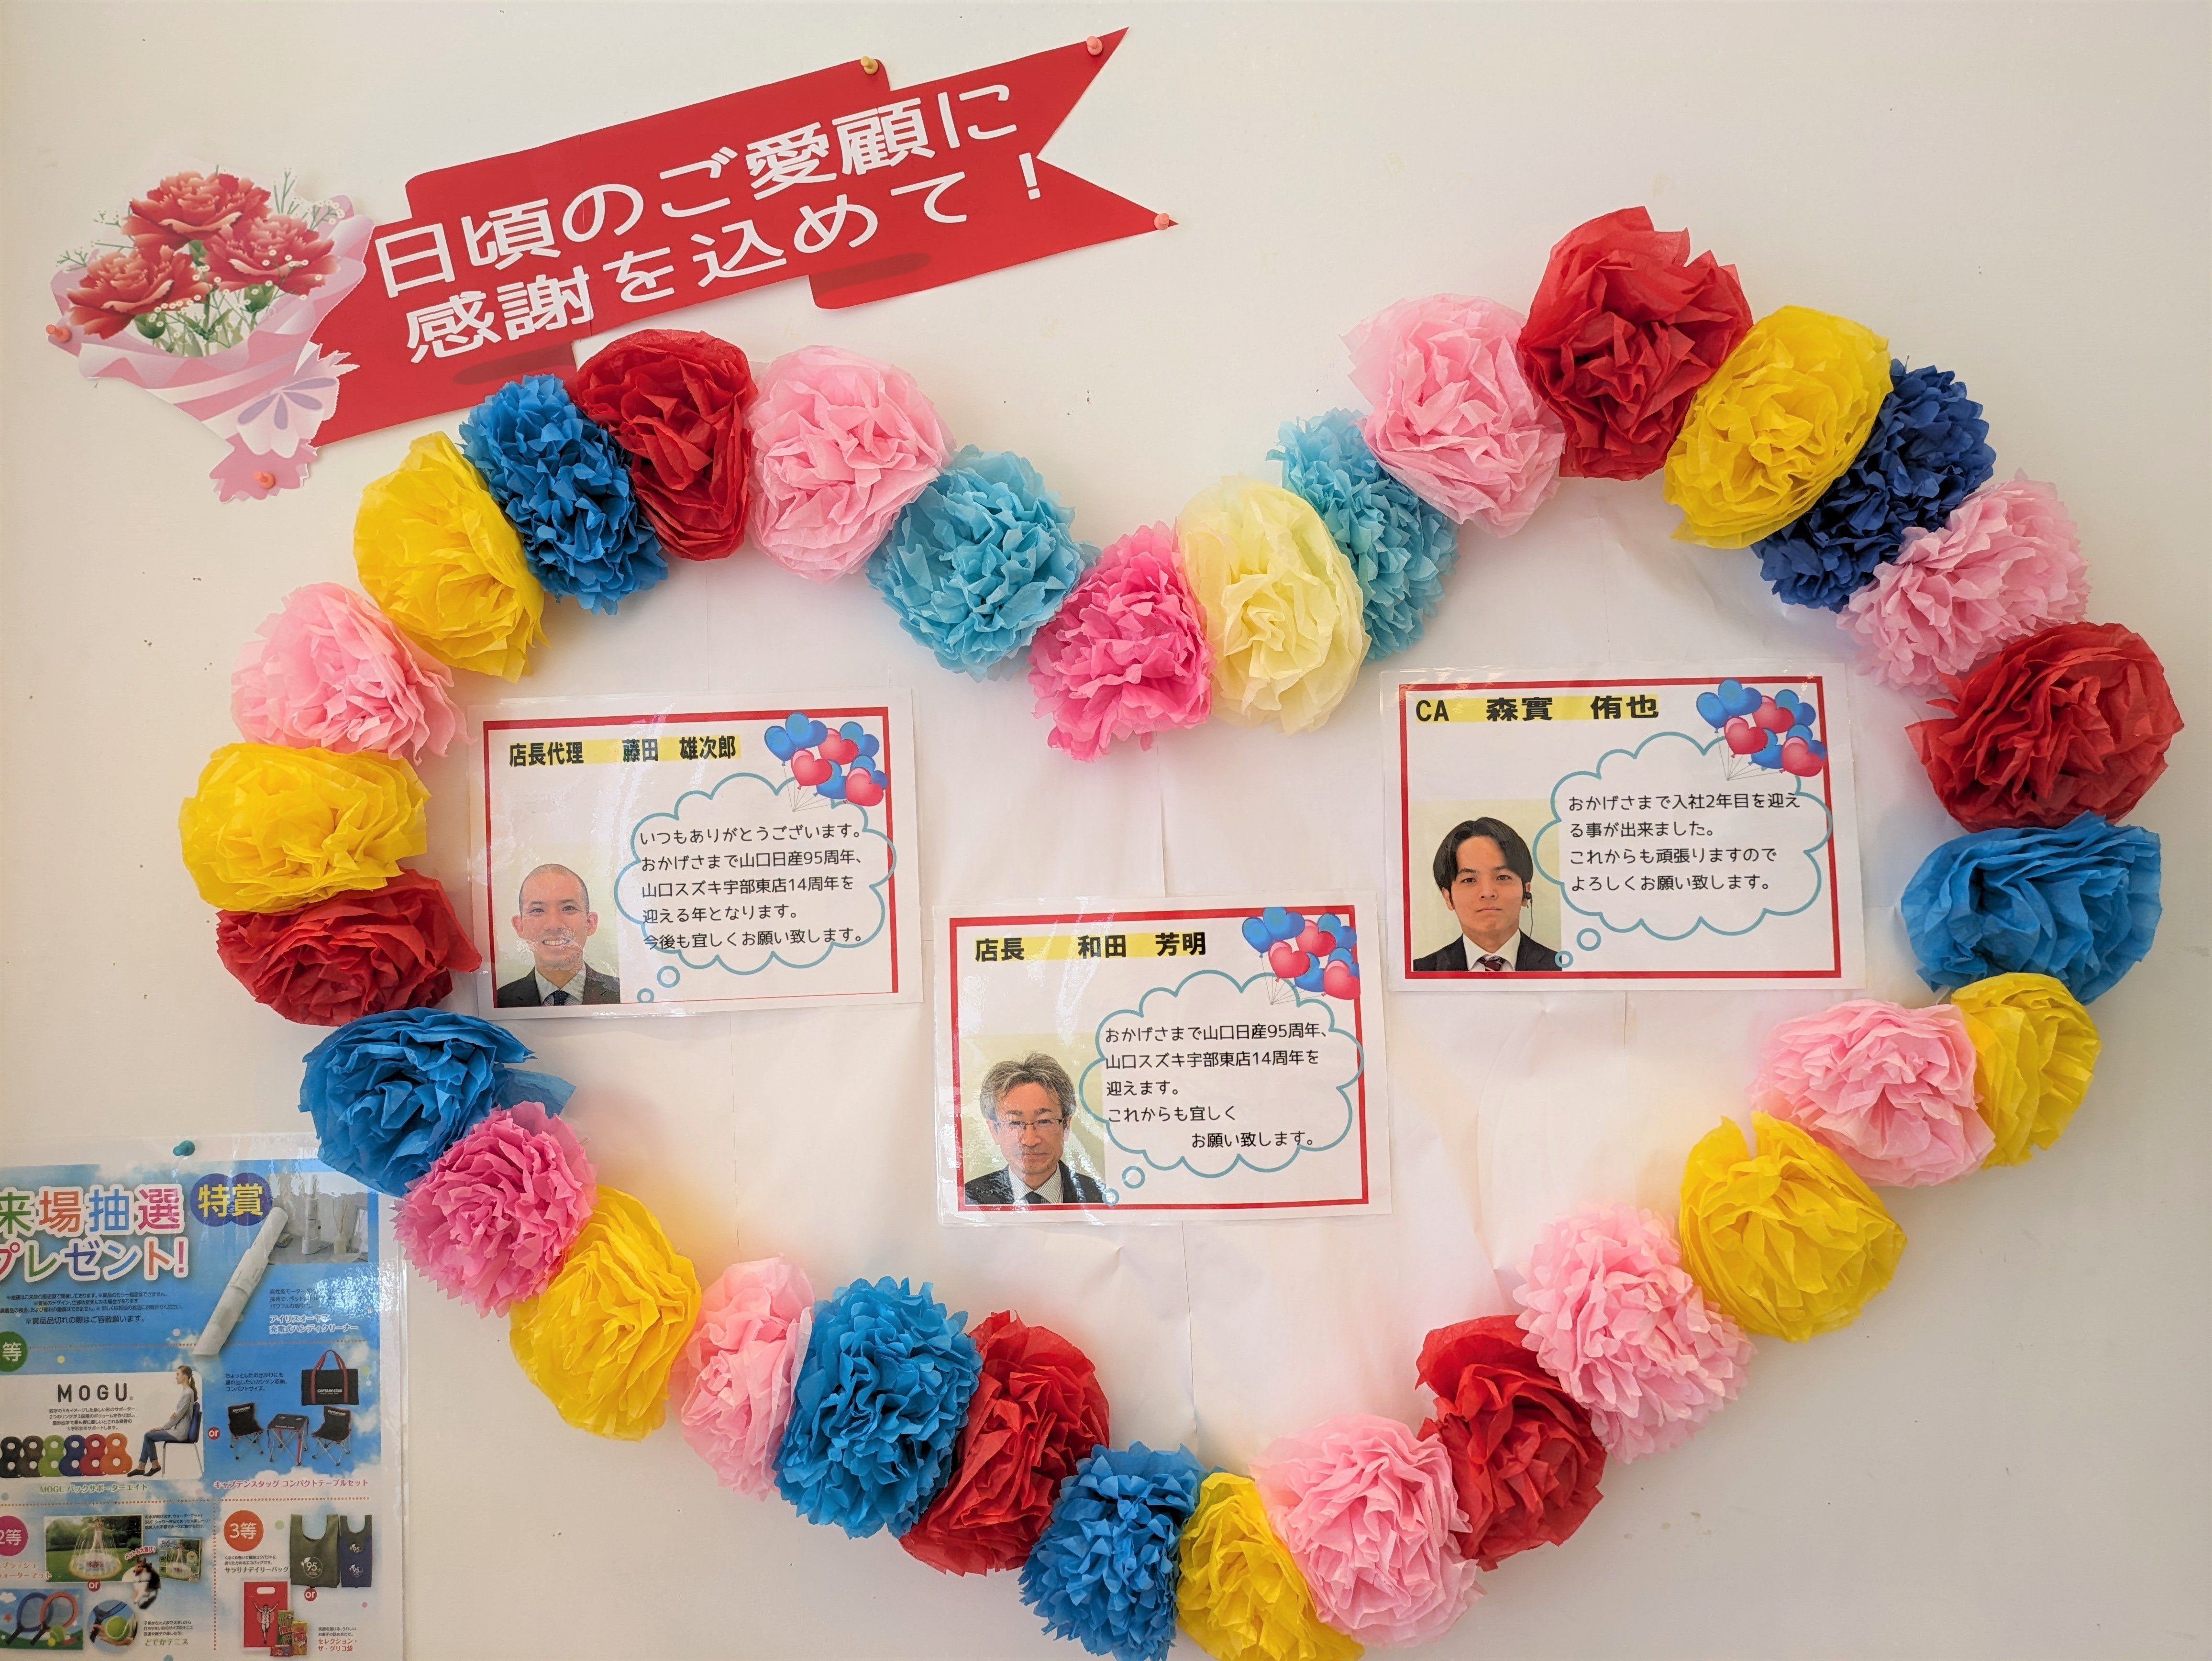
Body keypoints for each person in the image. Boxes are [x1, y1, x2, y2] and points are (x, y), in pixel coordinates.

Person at [1414, 817, 1561, 972]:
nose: (1488, 893)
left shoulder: (1563, 968)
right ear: (1448, 897)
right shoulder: (1419, 972)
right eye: (1469, 880)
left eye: (1502, 877)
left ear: (1526, 892)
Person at [963, 1052, 1106, 1207]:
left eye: (1044, 1121)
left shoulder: (1101, 1198)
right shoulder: (969, 1199)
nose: (1030, 1141)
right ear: (994, 1131)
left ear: (1066, 1126)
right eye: (1015, 1123)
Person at [495, 864, 620, 1007]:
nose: (554, 925)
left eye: (568, 908)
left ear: (590, 923)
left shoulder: (625, 995)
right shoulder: (500, 1002)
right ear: (520, 926)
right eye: (538, 910)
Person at [131, 1363, 197, 1476]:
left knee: (148, 1436)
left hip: (181, 1433)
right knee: (149, 1436)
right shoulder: (187, 1392)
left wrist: (163, 1427)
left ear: (185, 1376)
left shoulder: (188, 1393)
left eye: (178, 1374)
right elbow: (182, 1412)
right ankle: (142, 1467)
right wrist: (175, 1414)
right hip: (179, 1430)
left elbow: (180, 1414)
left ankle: (153, 1466)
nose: (176, 1377)